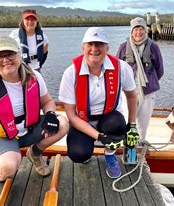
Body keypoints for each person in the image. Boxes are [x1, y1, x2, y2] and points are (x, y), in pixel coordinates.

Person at [0, 36, 69, 204]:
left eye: (10, 54)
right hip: (4, 136)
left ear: (19, 55)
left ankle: (35, 153)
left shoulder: (34, 76)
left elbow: (47, 102)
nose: (6, 59)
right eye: (0, 56)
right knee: (7, 168)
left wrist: (51, 114)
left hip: (29, 129)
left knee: (63, 124)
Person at [58, 27, 139, 179]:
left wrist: (132, 125)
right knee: (78, 154)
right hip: (81, 121)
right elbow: (70, 115)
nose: (94, 49)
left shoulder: (122, 68)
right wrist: (100, 137)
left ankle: (110, 155)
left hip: (107, 118)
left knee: (118, 123)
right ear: (83, 47)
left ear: (107, 48)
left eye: (99, 45)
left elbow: (132, 97)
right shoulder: (70, 73)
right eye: (90, 44)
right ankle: (88, 150)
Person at [116, 17, 164, 140]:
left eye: (141, 29)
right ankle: (126, 144)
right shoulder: (123, 47)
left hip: (148, 92)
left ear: (145, 30)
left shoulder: (154, 47)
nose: (138, 32)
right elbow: (116, 69)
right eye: (135, 29)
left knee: (143, 123)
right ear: (131, 31)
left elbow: (159, 70)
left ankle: (141, 142)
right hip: (128, 92)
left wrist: (149, 82)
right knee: (127, 120)